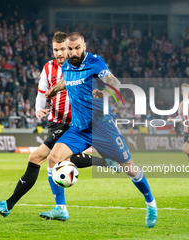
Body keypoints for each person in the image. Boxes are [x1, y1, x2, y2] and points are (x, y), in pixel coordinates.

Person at [0, 32, 115, 221]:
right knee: (62, 159)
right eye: (56, 50)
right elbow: (41, 92)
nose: (60, 53)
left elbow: (102, 84)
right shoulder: (48, 68)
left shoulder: (80, 65)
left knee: (39, 157)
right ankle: (106, 163)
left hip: (72, 123)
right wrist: (39, 109)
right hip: (55, 121)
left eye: (63, 49)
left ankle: (11, 205)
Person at [45, 32, 157, 228]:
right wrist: (56, 89)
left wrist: (103, 91)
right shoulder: (66, 66)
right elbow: (67, 81)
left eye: (77, 47)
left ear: (84, 46)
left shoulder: (95, 62)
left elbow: (116, 83)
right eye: (70, 49)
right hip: (79, 128)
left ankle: (151, 203)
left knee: (128, 167)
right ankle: (61, 209)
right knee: (53, 158)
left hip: (102, 126)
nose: (73, 52)